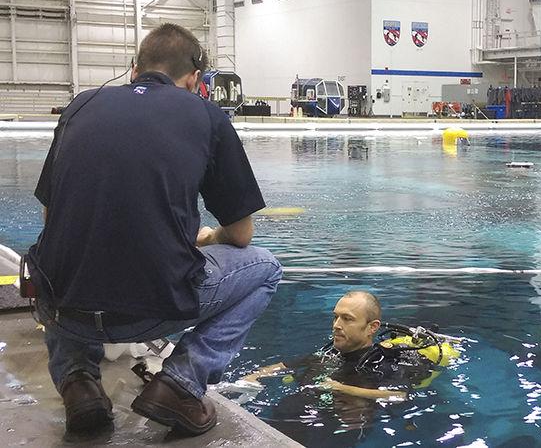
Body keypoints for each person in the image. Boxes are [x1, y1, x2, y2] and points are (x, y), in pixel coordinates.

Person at [26, 23, 282, 436]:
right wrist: (208, 237)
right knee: (265, 269)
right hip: (155, 307)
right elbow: (241, 236)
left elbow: (51, 220)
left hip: (66, 311)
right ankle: (179, 384)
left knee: (54, 252)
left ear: (133, 70)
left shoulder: (79, 107)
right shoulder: (207, 117)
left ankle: (79, 382)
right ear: (194, 80)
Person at [241, 290, 442, 446]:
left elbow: (398, 395)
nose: (336, 325)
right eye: (335, 317)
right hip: (295, 416)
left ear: (372, 327)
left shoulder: (383, 362)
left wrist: (339, 388)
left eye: (347, 319)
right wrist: (254, 376)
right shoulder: (330, 353)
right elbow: (285, 365)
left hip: (339, 426)